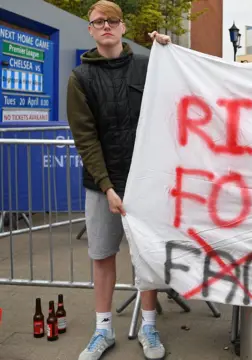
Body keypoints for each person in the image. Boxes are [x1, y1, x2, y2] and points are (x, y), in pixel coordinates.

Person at [66, 1, 171, 359]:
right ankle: (103, 330)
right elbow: (86, 137)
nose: (106, 26)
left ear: (123, 28)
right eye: (99, 22)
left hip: (145, 183)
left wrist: (168, 52)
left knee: (146, 257)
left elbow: (178, 96)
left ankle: (149, 327)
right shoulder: (80, 78)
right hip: (102, 185)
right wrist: (108, 186)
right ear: (91, 30)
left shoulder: (148, 66)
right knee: (102, 256)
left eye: (112, 20)